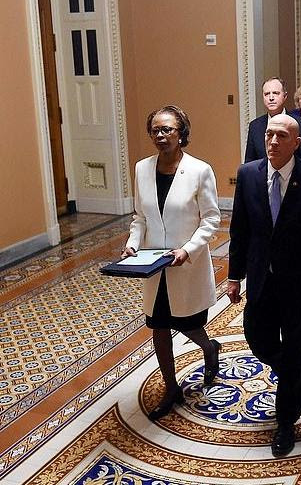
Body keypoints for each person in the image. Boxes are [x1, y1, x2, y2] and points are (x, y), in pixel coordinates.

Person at [227, 114, 301, 457]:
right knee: (256, 335)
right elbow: (239, 230)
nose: (273, 141)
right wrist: (234, 275)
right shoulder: (248, 175)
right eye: (269, 135)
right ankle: (290, 370)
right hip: (260, 276)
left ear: (296, 142)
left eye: (281, 136)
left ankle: (286, 421)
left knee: (293, 345)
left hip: (295, 282)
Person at [122, 105, 221, 421]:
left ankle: (209, 349)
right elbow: (140, 216)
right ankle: (171, 386)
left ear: (182, 133)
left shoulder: (199, 170)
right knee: (159, 324)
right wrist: (132, 244)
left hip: (185, 264)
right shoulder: (141, 168)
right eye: (155, 130)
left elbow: (211, 219)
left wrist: (187, 249)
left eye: (167, 129)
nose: (161, 136)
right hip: (153, 265)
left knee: (188, 321)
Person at [245, 77, 301, 163]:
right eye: (267, 94)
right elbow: (249, 162)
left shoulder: (300, 124)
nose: (271, 98)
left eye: (276, 93)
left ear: (285, 96)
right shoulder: (255, 126)